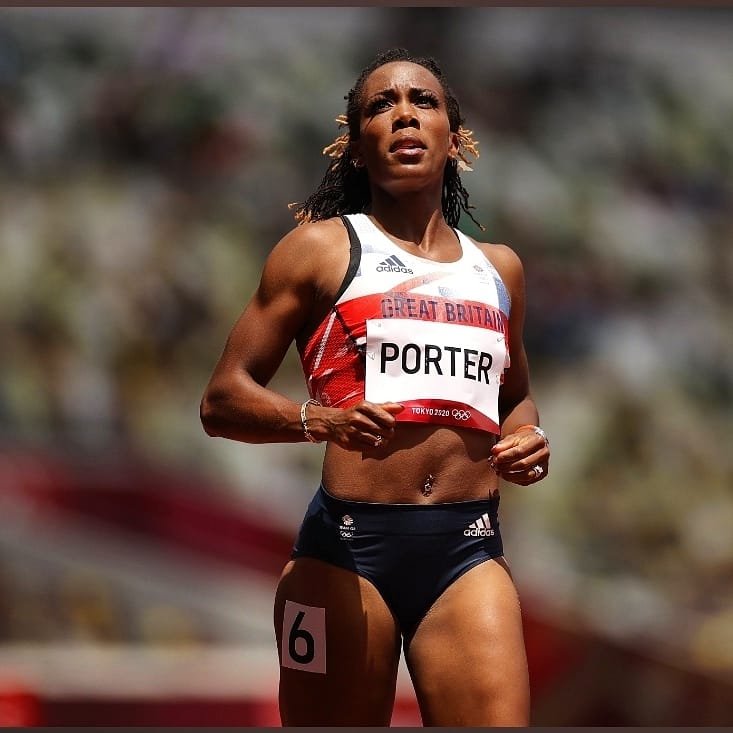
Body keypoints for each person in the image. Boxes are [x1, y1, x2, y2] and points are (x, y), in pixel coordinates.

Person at [200, 47, 550, 727]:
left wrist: (527, 436)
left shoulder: (499, 269)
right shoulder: (319, 250)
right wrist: (319, 419)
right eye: (380, 105)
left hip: (468, 546)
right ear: (356, 148)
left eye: (423, 101)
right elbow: (222, 399)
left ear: (456, 139)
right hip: (345, 552)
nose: (403, 115)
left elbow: (514, 397)